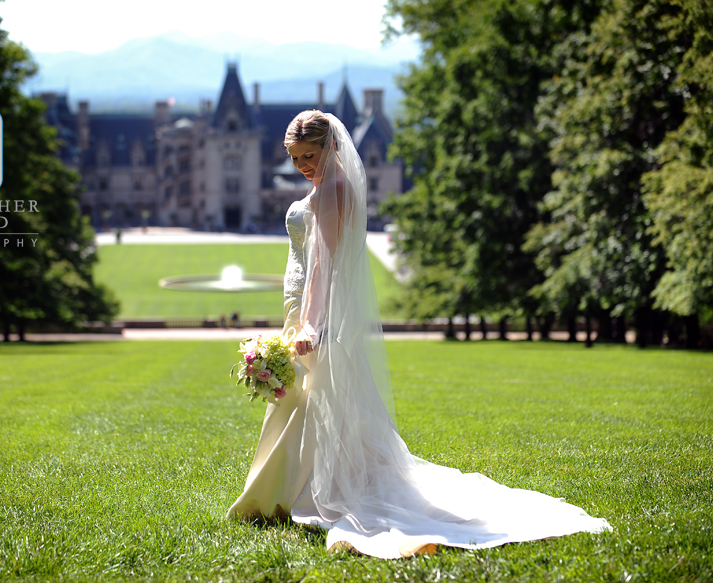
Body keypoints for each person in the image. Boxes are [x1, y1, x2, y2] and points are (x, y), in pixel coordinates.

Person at [226, 110, 611, 558]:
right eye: (294, 159)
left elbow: (325, 267)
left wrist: (311, 323)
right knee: (315, 402)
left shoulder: (332, 188)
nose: (302, 166)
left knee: (313, 400)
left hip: (318, 314)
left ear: (330, 147)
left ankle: (290, 492)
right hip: (306, 309)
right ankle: (293, 489)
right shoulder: (326, 185)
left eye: (309, 155)